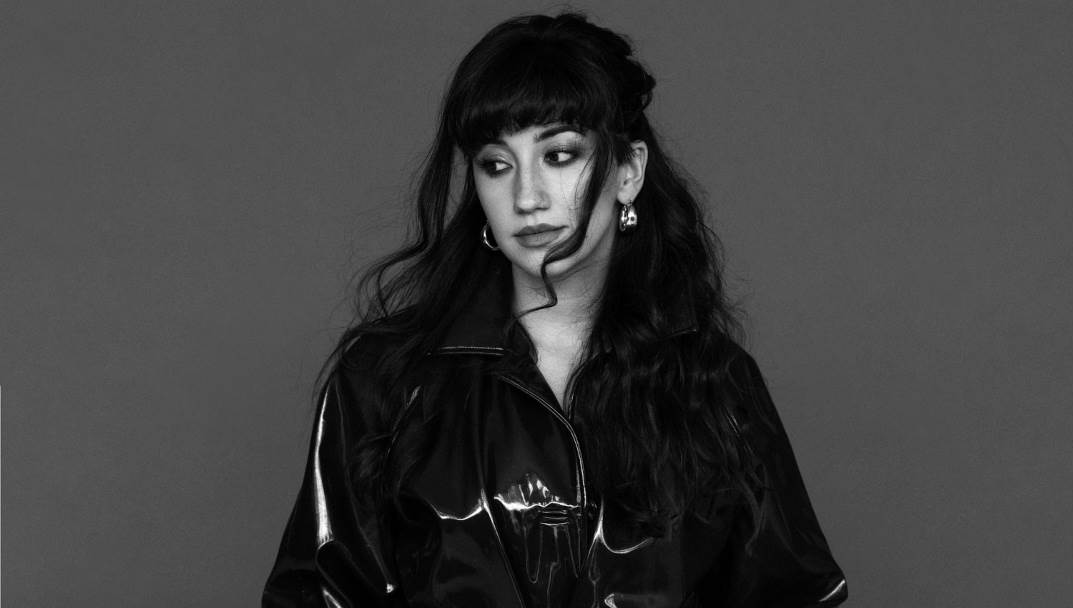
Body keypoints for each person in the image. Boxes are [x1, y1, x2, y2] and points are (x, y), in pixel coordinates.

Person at [263, 12, 847, 608]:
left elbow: (792, 595)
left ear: (628, 171)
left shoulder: (714, 384)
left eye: (560, 155)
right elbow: (320, 595)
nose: (527, 197)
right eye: (496, 165)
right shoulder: (385, 377)